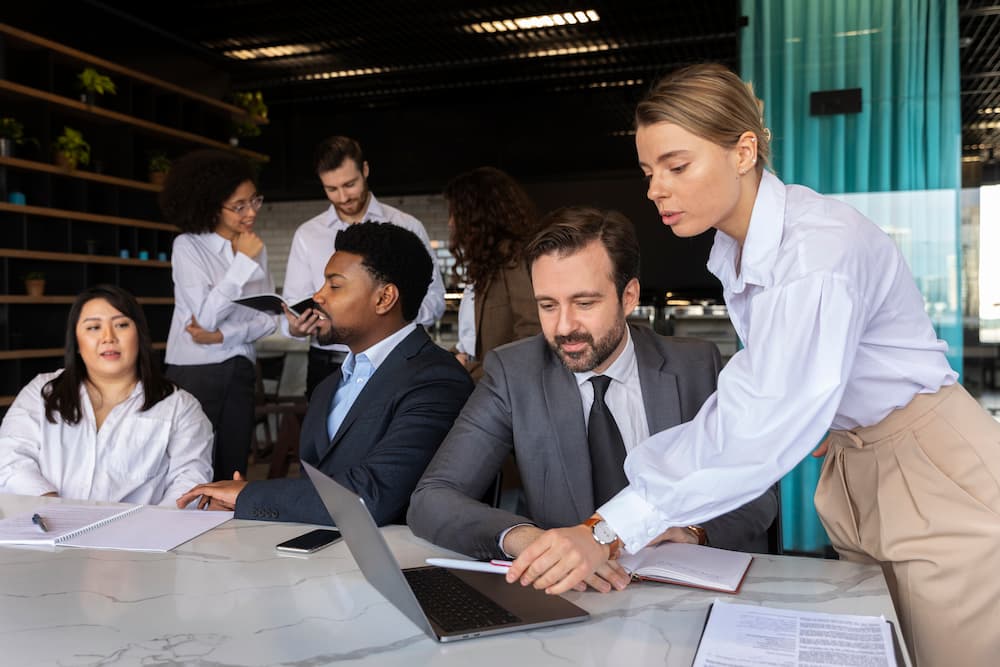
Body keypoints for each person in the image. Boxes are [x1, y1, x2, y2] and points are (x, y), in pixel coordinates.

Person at [506, 63, 1000, 667]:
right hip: (858, 465)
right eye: (648, 171)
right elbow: (786, 390)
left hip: (931, 472)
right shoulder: (740, 251)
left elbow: (756, 416)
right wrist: (821, 411)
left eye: (677, 166)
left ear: (743, 151)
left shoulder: (814, 251)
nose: (655, 189)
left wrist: (605, 528)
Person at [408, 206, 777, 592]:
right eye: (548, 305)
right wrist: (536, 544)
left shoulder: (695, 365)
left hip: (678, 593)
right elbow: (433, 498)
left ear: (628, 296)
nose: (564, 326)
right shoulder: (514, 373)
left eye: (585, 303)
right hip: (573, 596)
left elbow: (758, 493)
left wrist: (692, 531)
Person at [176, 222, 473, 526]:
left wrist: (248, 496)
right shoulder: (327, 388)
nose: (317, 296)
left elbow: (373, 496)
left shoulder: (436, 381)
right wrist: (243, 505)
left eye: (335, 285)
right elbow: (314, 491)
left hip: (399, 565)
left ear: (384, 298)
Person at [0, 285, 212, 504]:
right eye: (93, 327)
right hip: (45, 529)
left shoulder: (181, 407)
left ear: (139, 335)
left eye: (121, 325)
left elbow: (189, 485)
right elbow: (9, 457)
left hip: (139, 536)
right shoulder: (42, 393)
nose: (108, 337)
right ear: (77, 342)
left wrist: (151, 531)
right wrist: (55, 509)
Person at [280, 136, 446, 398]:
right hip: (327, 364)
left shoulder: (406, 226)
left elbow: (435, 299)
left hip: (394, 359)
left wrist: (384, 317)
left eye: (350, 184)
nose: (343, 196)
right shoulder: (307, 234)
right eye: (332, 189)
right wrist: (295, 327)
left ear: (365, 170)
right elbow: (292, 306)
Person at [160, 149, 277, 482]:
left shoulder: (258, 247)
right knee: (191, 466)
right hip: (196, 371)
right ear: (212, 206)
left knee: (235, 466)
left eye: (254, 200)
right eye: (239, 206)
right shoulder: (188, 247)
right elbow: (206, 317)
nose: (251, 212)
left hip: (240, 367)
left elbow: (269, 318)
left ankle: (227, 534)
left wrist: (225, 336)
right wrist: (241, 264)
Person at [444, 166, 541, 380]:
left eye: (456, 213)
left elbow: (531, 332)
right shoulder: (483, 263)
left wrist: (472, 370)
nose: (451, 222)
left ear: (479, 216)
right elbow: (469, 339)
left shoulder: (513, 259)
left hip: (496, 387)